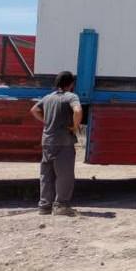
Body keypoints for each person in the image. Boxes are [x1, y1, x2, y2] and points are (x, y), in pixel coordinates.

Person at [30, 71, 82, 216]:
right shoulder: (71, 97)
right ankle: (61, 206)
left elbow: (34, 110)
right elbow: (78, 111)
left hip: (47, 141)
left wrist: (46, 121)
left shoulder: (48, 98)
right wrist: (75, 126)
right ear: (71, 84)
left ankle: (44, 206)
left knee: (46, 174)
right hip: (63, 141)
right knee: (64, 174)